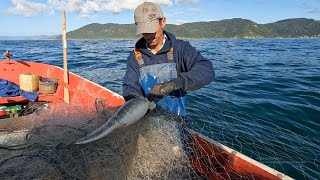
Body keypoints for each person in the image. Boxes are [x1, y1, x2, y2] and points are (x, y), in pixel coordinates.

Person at [122, 2, 214, 117]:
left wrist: (174, 84)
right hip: (145, 118)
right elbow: (129, 87)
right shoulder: (134, 57)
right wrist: (138, 103)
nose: (149, 36)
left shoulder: (181, 49)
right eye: (145, 32)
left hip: (176, 119)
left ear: (163, 22)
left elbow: (206, 70)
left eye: (152, 30)